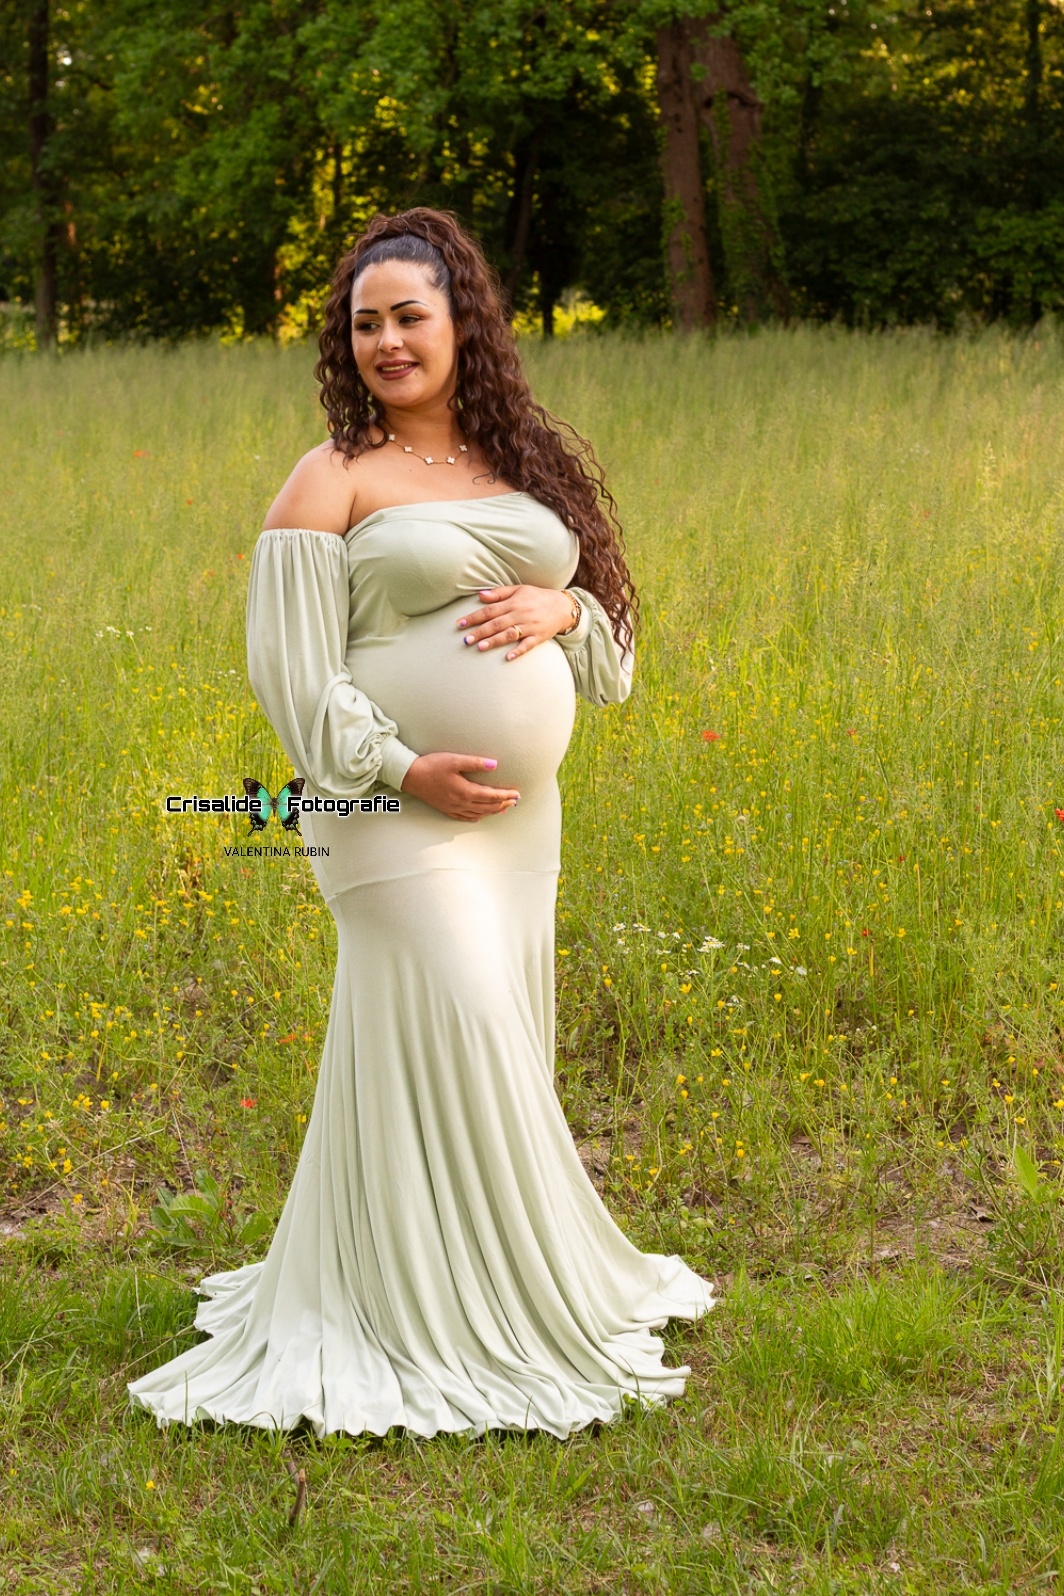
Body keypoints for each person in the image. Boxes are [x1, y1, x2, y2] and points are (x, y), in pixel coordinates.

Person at [128, 208, 715, 1440]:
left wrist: (564, 614)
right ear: (344, 343)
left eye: (410, 315)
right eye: (365, 322)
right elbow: (289, 678)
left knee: (489, 1031)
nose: (388, 340)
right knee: (458, 1015)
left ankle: (476, 1277)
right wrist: (401, 768)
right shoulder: (329, 474)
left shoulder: (526, 465)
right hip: (378, 809)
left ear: (463, 325)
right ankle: (437, 1311)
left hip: (516, 819)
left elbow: (612, 643)